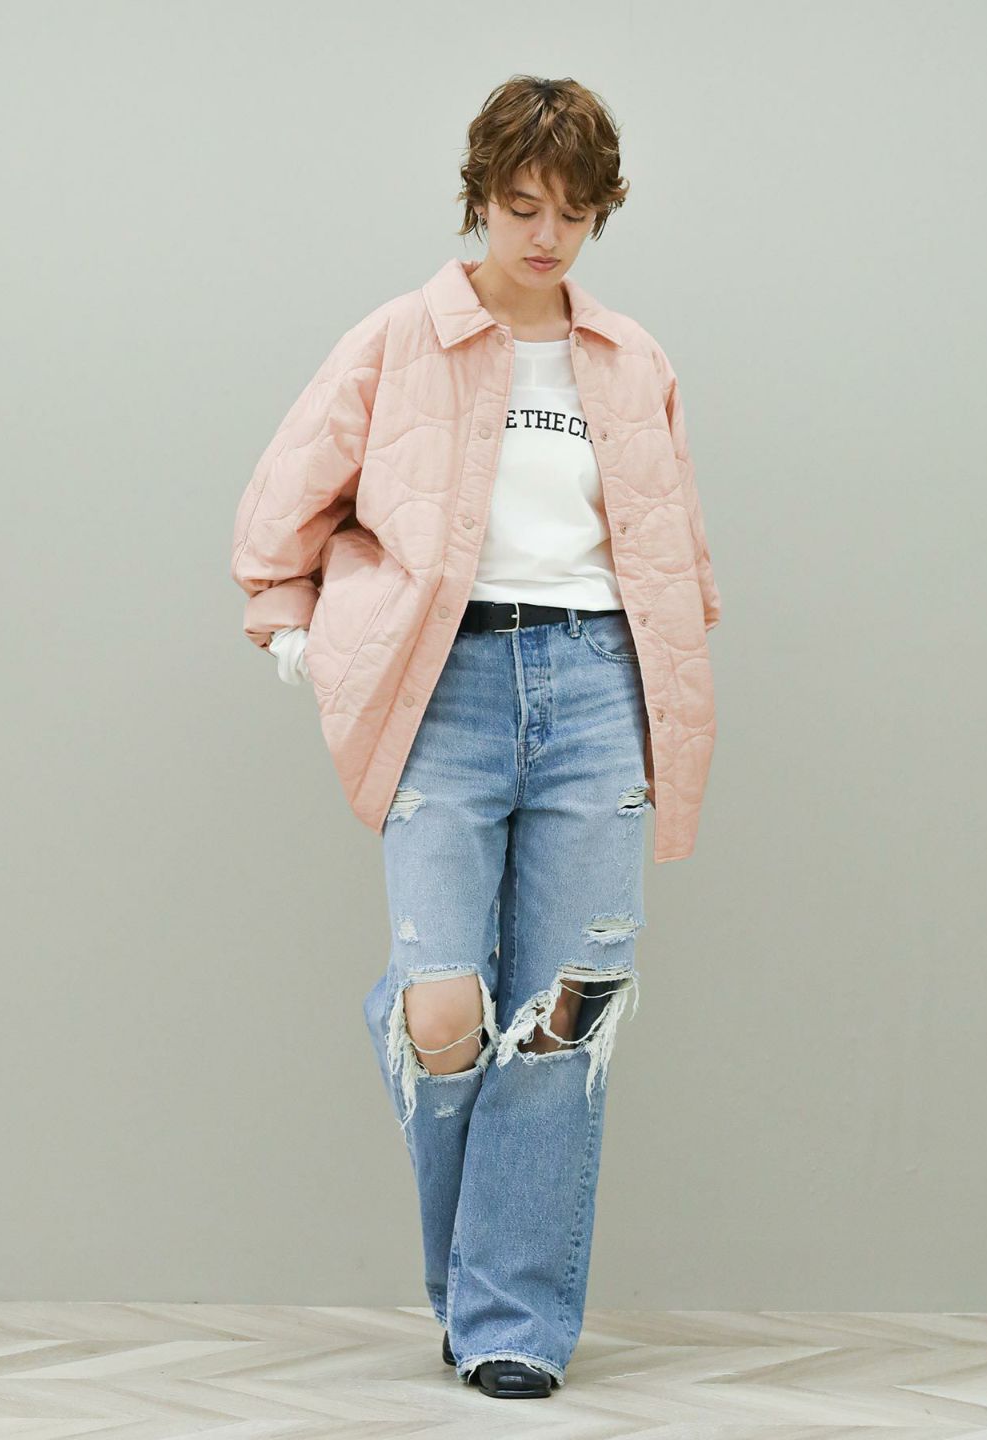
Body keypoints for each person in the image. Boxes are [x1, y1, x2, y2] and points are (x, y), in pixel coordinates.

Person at [231, 74, 721, 1400]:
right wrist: (295, 629)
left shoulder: (632, 361)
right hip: (444, 690)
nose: (545, 236)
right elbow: (282, 507)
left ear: (600, 213)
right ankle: (483, 1272)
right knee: (445, 1008)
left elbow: (674, 553)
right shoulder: (403, 339)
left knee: (564, 1017)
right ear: (481, 201)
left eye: (573, 212)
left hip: (597, 689)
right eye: (520, 206)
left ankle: (509, 1322)